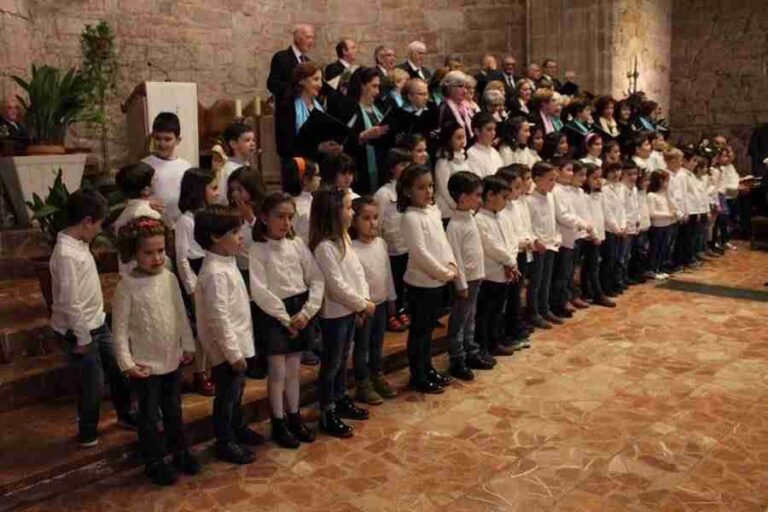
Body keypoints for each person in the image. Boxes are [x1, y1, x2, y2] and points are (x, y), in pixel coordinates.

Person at [113, 217, 199, 486]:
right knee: (149, 417)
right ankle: (154, 462)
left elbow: (181, 315)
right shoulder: (126, 286)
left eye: (161, 251)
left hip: (172, 359)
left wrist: (188, 345)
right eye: (148, 253)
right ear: (133, 253)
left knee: (174, 411)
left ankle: (180, 453)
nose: (157, 258)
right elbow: (119, 331)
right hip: (144, 366)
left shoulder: (170, 278)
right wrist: (127, 363)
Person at [50, 190, 136, 448]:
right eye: (98, 224)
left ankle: (126, 414)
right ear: (87, 221)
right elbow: (70, 302)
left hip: (97, 323)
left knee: (119, 369)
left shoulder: (79, 243)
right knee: (92, 384)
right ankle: (87, 431)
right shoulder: (66, 254)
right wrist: (82, 338)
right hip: (79, 331)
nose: (99, 230)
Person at [249, 192, 322, 448]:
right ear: (264, 217)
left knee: (293, 370)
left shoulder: (297, 244)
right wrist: (284, 318)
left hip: (299, 310)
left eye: (290, 217)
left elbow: (316, 278)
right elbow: (259, 289)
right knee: (277, 371)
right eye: (279, 216)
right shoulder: (257, 249)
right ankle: (278, 422)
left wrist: (306, 312)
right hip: (274, 313)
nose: (286, 223)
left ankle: (294, 416)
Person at [194, 205, 263, 465]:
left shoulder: (227, 261)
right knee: (227, 396)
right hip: (226, 351)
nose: (241, 236)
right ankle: (225, 441)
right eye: (234, 232)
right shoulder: (214, 273)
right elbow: (218, 318)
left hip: (238, 342)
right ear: (215, 237)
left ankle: (238, 427)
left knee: (238, 392)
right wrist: (233, 354)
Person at [310, 188, 373, 438]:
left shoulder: (344, 237)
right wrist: (361, 304)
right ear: (333, 213)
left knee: (343, 358)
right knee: (332, 363)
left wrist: (363, 299)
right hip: (335, 314)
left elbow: (357, 272)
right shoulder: (324, 247)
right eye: (348, 208)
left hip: (350, 309)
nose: (352, 212)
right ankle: (327, 411)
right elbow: (336, 287)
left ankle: (340, 397)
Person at [398, 164, 457, 394]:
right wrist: (443, 273)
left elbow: (442, 241)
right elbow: (420, 253)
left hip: (438, 280)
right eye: (421, 187)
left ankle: (428, 368)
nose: (429, 191)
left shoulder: (433, 211)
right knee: (420, 331)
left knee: (430, 329)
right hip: (421, 283)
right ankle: (418, 375)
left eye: (431, 186)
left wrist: (451, 262)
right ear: (407, 191)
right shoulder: (410, 217)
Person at [175, 168, 220, 397]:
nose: (217, 193)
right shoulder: (185, 221)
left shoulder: (209, 215)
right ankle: (200, 373)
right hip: (196, 272)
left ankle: (213, 368)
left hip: (210, 270)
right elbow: (182, 258)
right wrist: (191, 289)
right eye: (213, 188)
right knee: (202, 328)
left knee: (213, 325)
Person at [350, 196, 398, 404]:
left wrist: (391, 297)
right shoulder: (352, 248)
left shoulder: (381, 244)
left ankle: (377, 375)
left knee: (377, 344)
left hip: (381, 303)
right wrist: (359, 307)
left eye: (375, 218)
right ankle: (363, 383)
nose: (372, 223)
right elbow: (353, 281)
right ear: (354, 221)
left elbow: (387, 272)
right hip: (364, 307)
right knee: (362, 346)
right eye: (366, 218)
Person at [444, 171, 489, 380]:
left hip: (475, 277)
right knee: (459, 320)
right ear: (462, 197)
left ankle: (471, 351)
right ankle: (457, 358)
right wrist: (460, 284)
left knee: (470, 317)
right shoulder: (455, 226)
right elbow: (455, 258)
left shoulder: (470, 217)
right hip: (465, 281)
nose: (480, 199)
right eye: (477, 195)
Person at [475, 175, 519, 357]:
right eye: (504, 197)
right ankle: (483, 346)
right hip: (490, 273)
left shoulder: (503, 217)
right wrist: (509, 261)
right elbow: (490, 246)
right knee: (485, 312)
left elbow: (512, 240)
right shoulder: (479, 219)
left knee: (498, 310)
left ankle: (495, 342)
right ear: (490, 195)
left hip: (506, 271)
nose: (506, 202)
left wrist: (512, 261)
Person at [274, 62, 342, 167]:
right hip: (297, 167)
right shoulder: (287, 107)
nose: (320, 84)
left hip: (321, 165)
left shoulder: (319, 107)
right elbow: (284, 147)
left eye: (321, 80)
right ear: (301, 80)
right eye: (316, 79)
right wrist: (318, 148)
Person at [374, 148, 412, 332]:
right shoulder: (383, 193)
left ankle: (401, 309)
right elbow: (378, 222)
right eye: (402, 164)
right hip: (390, 248)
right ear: (391, 168)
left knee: (403, 282)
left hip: (405, 245)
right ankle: (391, 314)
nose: (406, 168)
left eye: (408, 164)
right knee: (392, 283)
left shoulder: (407, 190)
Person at [551, 159, 591, 319]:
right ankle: (559, 302)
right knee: (562, 272)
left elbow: (579, 211)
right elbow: (563, 215)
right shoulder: (556, 190)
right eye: (568, 170)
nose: (571, 173)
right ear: (558, 170)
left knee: (570, 270)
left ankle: (568, 296)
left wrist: (585, 226)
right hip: (563, 236)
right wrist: (581, 223)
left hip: (575, 234)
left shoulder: (571, 190)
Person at [343, 67, 391, 195]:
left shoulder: (379, 106)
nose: (377, 91)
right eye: (374, 86)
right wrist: (363, 135)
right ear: (362, 86)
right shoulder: (349, 108)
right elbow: (343, 140)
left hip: (382, 164)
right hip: (361, 167)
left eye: (378, 87)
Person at [526, 162, 560, 329]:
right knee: (536, 282)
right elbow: (528, 225)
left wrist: (556, 236)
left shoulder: (551, 197)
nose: (553, 183)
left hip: (550, 244)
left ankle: (544, 308)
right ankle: (533, 312)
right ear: (537, 179)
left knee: (546, 280)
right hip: (537, 247)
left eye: (555, 180)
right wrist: (535, 240)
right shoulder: (530, 200)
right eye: (550, 180)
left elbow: (553, 220)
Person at [113, 162, 163, 277]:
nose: (156, 181)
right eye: (154, 180)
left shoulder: (123, 215)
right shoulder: (149, 215)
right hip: (147, 274)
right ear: (145, 190)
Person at [141, 112, 192, 227]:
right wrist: (145, 204)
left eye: (167, 139)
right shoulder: (144, 166)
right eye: (158, 138)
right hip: (151, 228)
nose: (162, 144)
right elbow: (129, 200)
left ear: (178, 140)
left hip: (178, 226)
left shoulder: (186, 168)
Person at [580, 163, 615, 307]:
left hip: (599, 234)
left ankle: (588, 292)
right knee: (591, 266)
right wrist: (593, 234)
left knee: (591, 265)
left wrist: (613, 228)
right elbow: (586, 216)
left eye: (600, 177)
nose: (599, 181)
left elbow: (605, 213)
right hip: (589, 235)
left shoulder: (599, 195)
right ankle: (597, 294)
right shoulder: (584, 196)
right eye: (594, 178)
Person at [267, 23, 316, 99]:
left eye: (313, 38)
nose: (311, 41)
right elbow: (272, 84)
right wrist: (299, 88)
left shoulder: (308, 62)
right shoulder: (282, 57)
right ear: (297, 38)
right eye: (308, 37)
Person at [434, 122, 469, 222]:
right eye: (458, 138)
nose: (462, 141)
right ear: (449, 140)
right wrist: (456, 206)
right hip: (447, 211)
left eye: (463, 137)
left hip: (462, 206)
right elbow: (444, 189)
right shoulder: (443, 162)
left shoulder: (463, 157)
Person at [600, 162, 626, 296]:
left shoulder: (621, 188)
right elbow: (607, 211)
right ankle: (606, 286)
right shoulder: (604, 189)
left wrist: (623, 225)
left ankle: (616, 282)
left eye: (618, 170)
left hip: (620, 229)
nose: (616, 174)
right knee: (608, 259)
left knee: (618, 259)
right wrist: (616, 228)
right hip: (609, 229)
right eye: (613, 171)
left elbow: (623, 209)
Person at [282, 157, 320, 243]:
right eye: (317, 174)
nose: (320, 178)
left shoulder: (312, 200)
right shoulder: (297, 207)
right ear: (305, 179)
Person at [219, 122, 258, 204]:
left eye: (253, 140)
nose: (252, 144)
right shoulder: (227, 170)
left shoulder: (248, 165)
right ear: (233, 144)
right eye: (247, 140)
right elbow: (223, 198)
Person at [647, 170, 676, 280]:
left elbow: (671, 206)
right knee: (655, 248)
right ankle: (651, 269)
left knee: (663, 248)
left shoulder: (664, 195)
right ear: (660, 181)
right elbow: (652, 213)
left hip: (666, 225)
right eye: (666, 181)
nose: (668, 184)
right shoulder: (651, 195)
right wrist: (668, 215)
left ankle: (658, 268)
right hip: (657, 226)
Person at [619, 162, 640, 287]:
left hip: (633, 225)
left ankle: (625, 276)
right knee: (621, 255)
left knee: (628, 254)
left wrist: (637, 221)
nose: (633, 177)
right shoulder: (621, 189)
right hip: (625, 226)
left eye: (635, 174)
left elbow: (636, 207)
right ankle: (619, 279)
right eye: (629, 174)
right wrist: (625, 225)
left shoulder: (635, 189)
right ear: (623, 174)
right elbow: (622, 209)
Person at [466, 112, 503, 178]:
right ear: (477, 131)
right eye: (489, 129)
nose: (493, 133)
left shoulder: (494, 152)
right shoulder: (471, 154)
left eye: (494, 129)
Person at [437, 70, 472, 135]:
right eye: (460, 86)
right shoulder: (445, 108)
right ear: (450, 88)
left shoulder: (465, 106)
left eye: (466, 87)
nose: (465, 91)